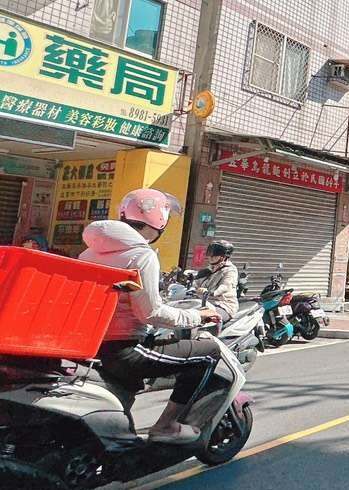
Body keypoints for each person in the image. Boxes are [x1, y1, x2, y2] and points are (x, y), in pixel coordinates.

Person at [80, 189, 222, 444]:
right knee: (208, 353)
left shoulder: (90, 253)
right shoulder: (141, 255)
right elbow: (150, 313)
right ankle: (166, 425)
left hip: (90, 344)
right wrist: (197, 316)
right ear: (160, 220)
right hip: (124, 349)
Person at [191, 239, 240, 323]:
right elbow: (197, 282)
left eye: (214, 255)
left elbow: (225, 286)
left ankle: (215, 331)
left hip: (223, 305)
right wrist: (191, 288)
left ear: (223, 257)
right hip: (204, 302)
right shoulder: (208, 269)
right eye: (209, 254)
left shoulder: (230, 270)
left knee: (211, 318)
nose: (210, 257)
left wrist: (211, 292)